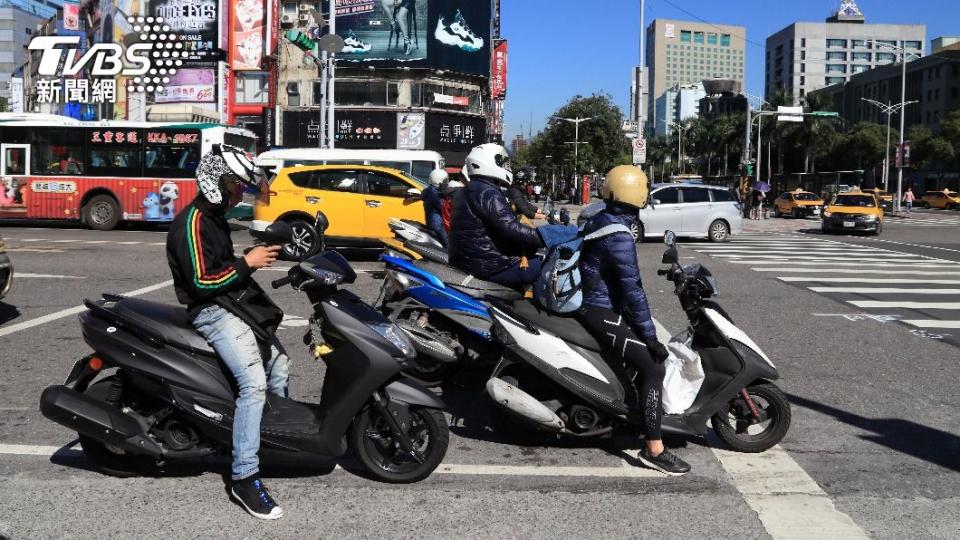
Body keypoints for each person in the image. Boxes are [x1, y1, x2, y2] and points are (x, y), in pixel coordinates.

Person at [166, 144, 287, 520]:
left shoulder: (214, 217)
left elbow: (220, 264)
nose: (240, 193)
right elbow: (202, 282)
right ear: (216, 181)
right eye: (236, 185)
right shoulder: (192, 222)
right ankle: (244, 477)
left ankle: (275, 445)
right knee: (253, 385)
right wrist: (248, 263)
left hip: (230, 302)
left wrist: (249, 257)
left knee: (280, 364)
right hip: (211, 310)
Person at [577, 165, 691, 476]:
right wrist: (651, 336)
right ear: (639, 196)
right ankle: (654, 448)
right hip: (599, 310)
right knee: (653, 366)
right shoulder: (619, 236)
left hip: (594, 304)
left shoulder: (600, 218)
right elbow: (633, 291)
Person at [449, 143, 544, 289]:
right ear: (487, 162)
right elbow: (510, 227)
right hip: (489, 265)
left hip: (472, 260)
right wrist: (543, 236)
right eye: (502, 162)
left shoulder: (469, 189)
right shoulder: (487, 192)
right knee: (545, 264)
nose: (507, 167)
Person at [423, 169, 449, 246]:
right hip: (438, 225)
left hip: (432, 222)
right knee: (450, 245)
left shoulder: (429, 190)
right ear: (439, 180)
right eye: (445, 180)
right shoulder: (434, 193)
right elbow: (442, 207)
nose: (446, 182)